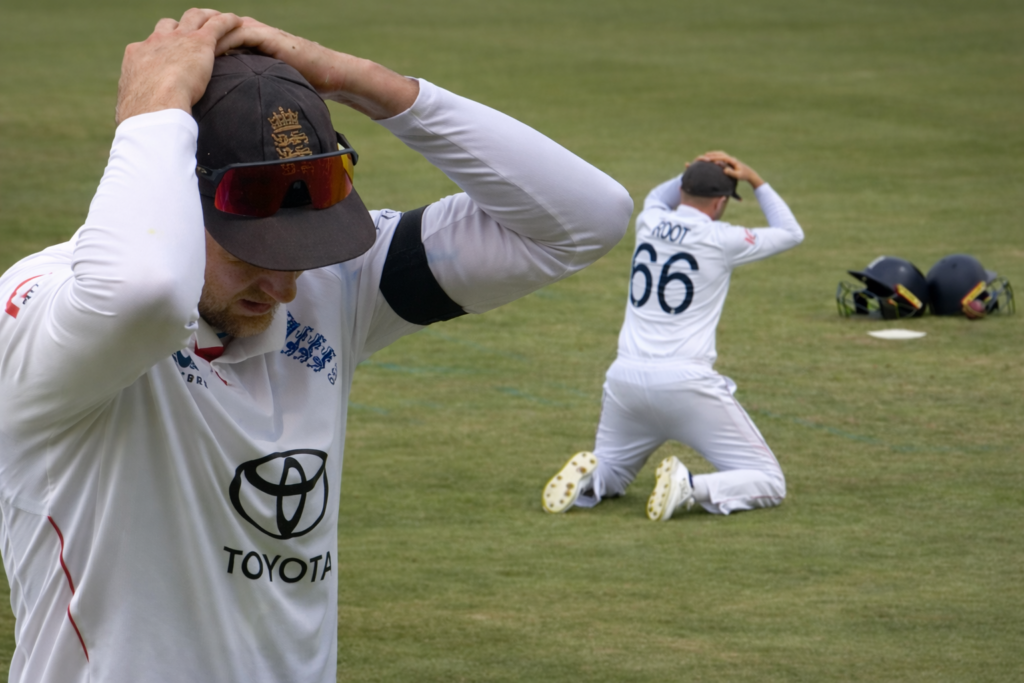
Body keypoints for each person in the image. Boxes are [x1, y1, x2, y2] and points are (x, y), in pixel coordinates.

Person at [0, 10, 631, 683]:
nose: (285, 286)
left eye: (304, 250)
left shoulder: (334, 287)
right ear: (172, 195)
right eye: (253, 251)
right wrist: (153, 106)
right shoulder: (46, 310)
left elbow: (586, 219)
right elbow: (146, 296)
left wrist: (359, 81)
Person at [542, 152, 803, 521]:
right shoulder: (721, 238)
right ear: (720, 202)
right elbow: (791, 232)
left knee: (614, 473)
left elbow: (655, 196)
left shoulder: (649, 220)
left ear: (682, 191)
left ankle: (592, 478)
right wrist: (755, 180)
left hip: (625, 381)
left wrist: (692, 170)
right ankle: (691, 486)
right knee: (769, 480)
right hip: (685, 384)